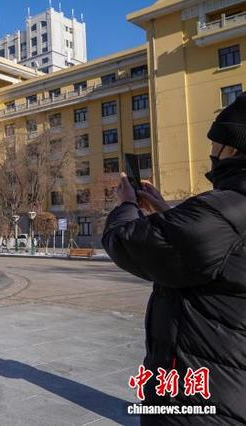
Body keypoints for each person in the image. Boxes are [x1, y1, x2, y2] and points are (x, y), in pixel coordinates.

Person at [102, 93, 246, 424]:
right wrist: (168, 213)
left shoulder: (227, 207)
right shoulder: (225, 212)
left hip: (201, 397)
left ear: (233, 147)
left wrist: (127, 204)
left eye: (215, 142)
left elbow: (125, 242)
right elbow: (207, 247)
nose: (211, 151)